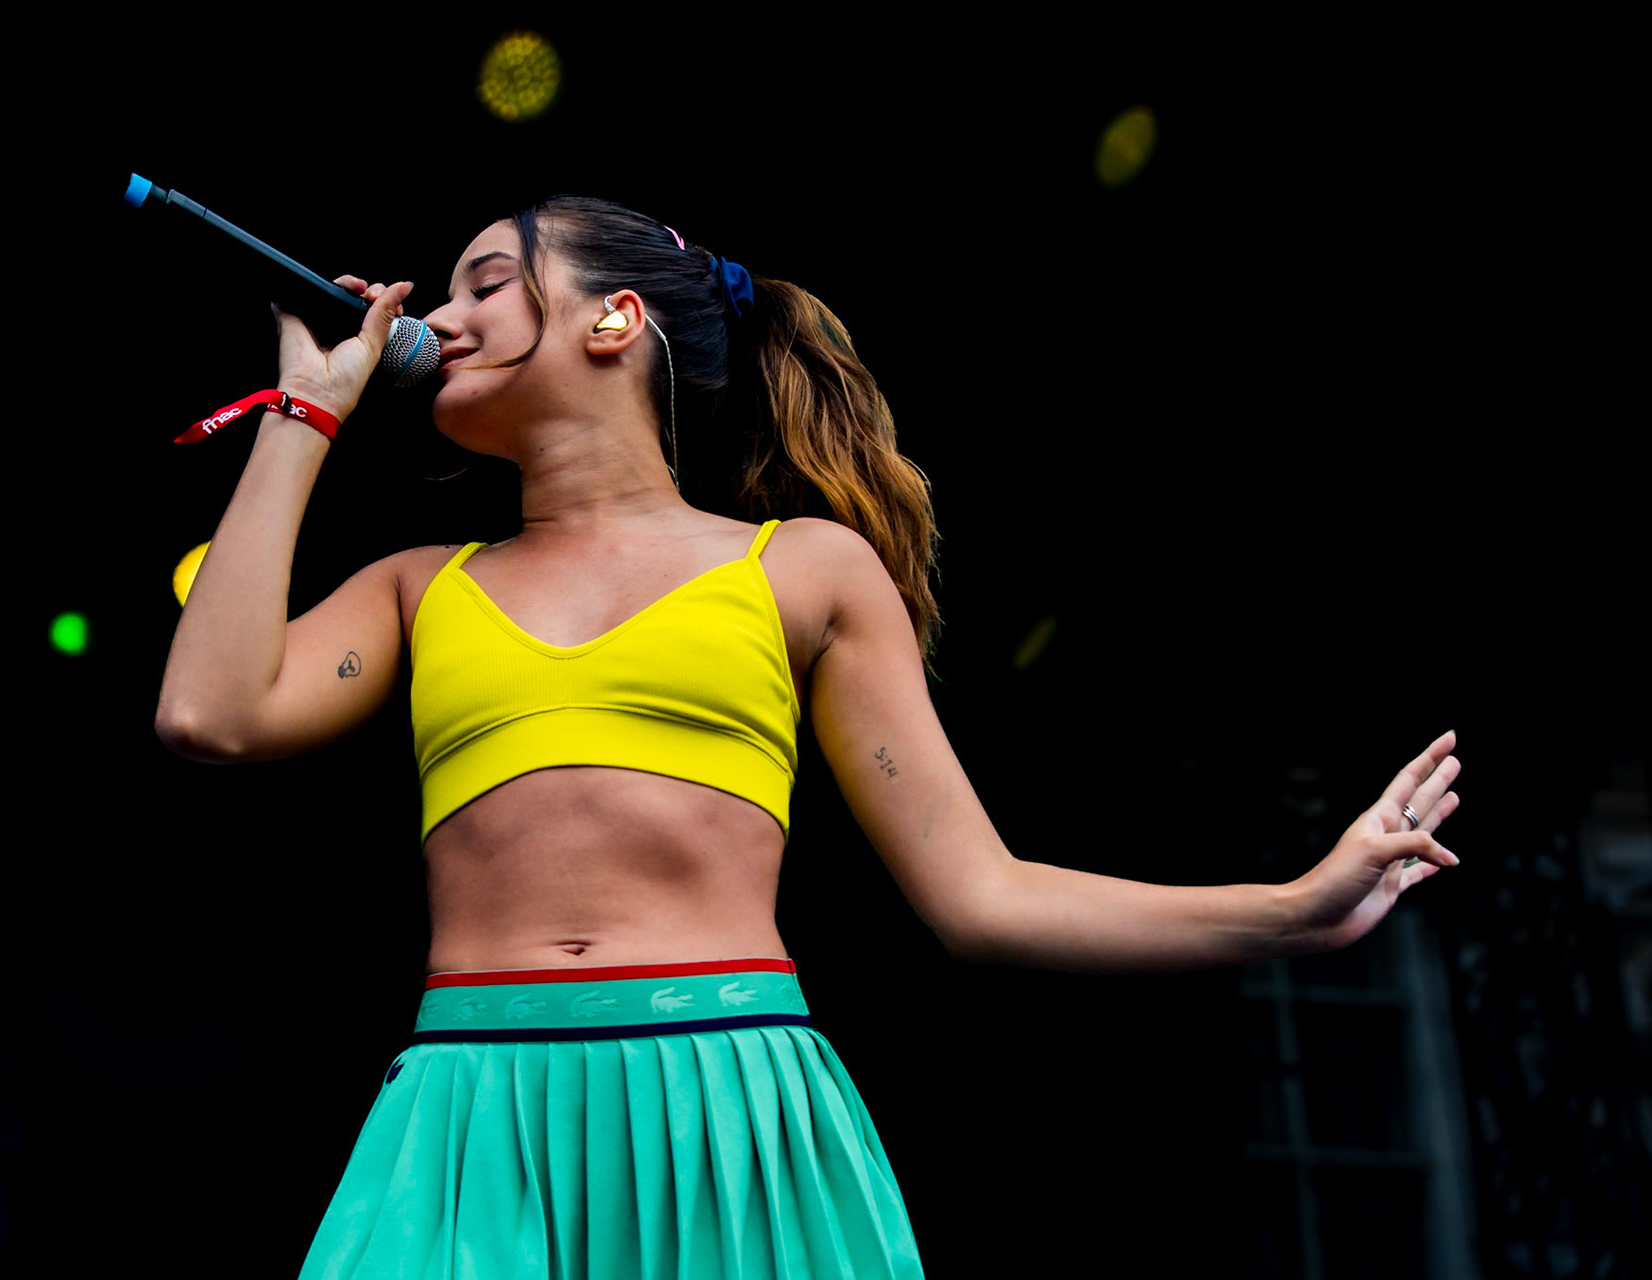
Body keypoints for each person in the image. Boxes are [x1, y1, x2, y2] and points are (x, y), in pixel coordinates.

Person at [154, 196, 1464, 1280]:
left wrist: (1295, 908)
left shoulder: (806, 573)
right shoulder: (415, 587)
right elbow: (207, 715)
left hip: (727, 1100)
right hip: (465, 1107)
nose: (437, 318)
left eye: (486, 283)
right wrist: (302, 410)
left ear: (614, 320)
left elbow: (985, 896)